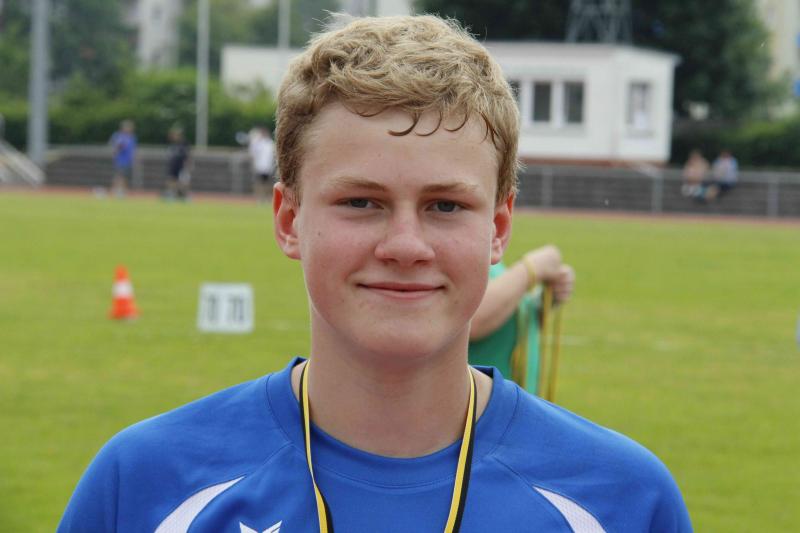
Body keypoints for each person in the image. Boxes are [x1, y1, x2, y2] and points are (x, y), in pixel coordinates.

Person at [58, 15, 692, 532]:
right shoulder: (144, 487)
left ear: (498, 228)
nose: (406, 245)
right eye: (361, 202)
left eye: (446, 206)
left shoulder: (623, 502)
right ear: (288, 219)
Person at [469, 245, 575, 395]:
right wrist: (530, 268)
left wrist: (541, 302)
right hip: (485, 404)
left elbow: (505, 316)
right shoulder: (464, 254)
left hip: (504, 400)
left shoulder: (487, 256)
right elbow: (471, 320)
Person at [109, 119, 137, 197]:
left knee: (125, 176)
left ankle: (122, 190)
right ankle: (116, 191)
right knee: (119, 176)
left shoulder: (132, 137)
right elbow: (115, 147)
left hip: (128, 161)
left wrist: (133, 159)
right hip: (120, 160)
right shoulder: (119, 136)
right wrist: (117, 149)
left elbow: (133, 150)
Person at [248, 126, 276, 202]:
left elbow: (273, 154)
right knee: (259, 183)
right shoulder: (258, 143)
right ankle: (259, 197)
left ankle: (267, 197)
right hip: (259, 166)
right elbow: (253, 152)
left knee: (267, 183)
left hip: (268, 166)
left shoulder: (270, 143)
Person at [164, 126, 191, 201]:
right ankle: (173, 195)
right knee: (171, 180)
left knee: (184, 181)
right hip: (173, 166)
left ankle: (185, 195)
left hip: (181, 165)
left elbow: (187, 155)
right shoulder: (172, 144)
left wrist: (188, 165)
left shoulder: (184, 143)